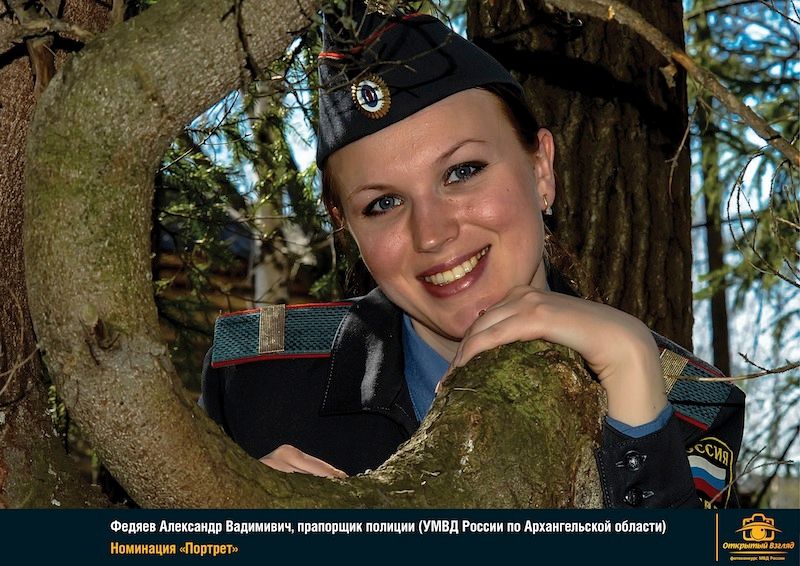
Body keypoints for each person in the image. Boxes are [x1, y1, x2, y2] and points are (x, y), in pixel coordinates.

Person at [201, 1, 745, 508]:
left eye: (462, 172)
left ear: (541, 169)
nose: (432, 234)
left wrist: (637, 408)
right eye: (383, 203)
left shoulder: (688, 405)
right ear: (347, 229)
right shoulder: (254, 383)